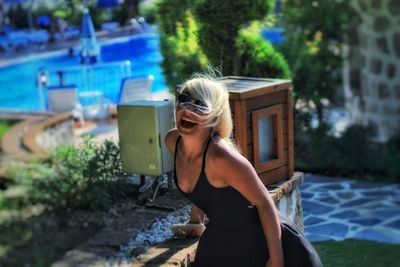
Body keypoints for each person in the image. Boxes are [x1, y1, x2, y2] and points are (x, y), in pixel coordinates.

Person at [165, 76, 322, 267]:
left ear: (215, 117)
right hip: (222, 236)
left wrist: (277, 259)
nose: (187, 110)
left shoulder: (223, 159)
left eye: (200, 105)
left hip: (263, 241)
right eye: (183, 100)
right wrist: (196, 220)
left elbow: (264, 203)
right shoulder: (173, 142)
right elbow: (202, 188)